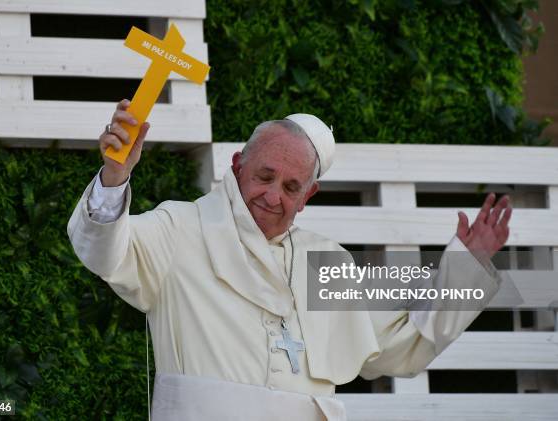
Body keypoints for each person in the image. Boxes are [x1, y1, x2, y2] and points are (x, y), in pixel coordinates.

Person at [67, 99, 512, 420]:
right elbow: (107, 250)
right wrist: (115, 176)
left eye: (290, 187)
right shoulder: (179, 228)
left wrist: (466, 268)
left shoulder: (326, 260)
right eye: (264, 176)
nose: (272, 196)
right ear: (238, 165)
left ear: (308, 196)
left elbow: (402, 344)